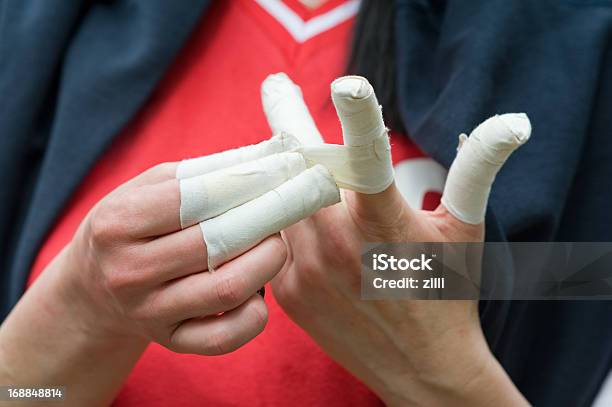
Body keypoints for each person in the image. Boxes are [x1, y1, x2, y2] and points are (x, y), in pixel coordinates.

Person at [0, 0, 611, 405]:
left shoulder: (576, 50)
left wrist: (441, 374)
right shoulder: (46, 31)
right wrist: (82, 307)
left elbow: (581, 277)